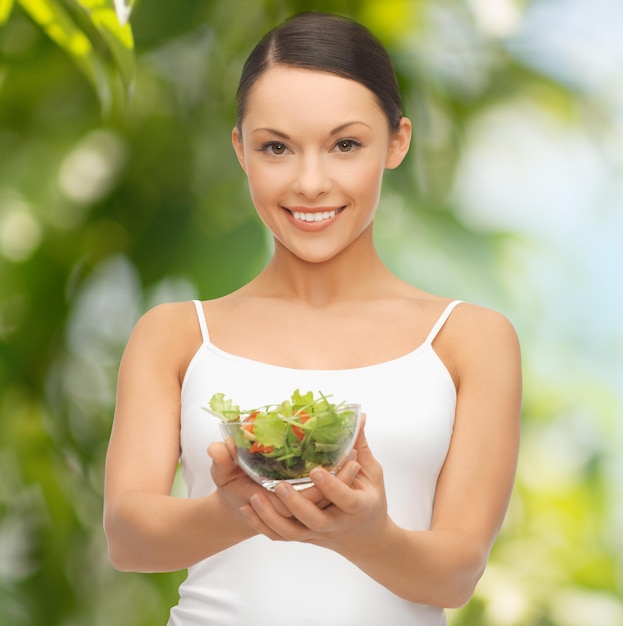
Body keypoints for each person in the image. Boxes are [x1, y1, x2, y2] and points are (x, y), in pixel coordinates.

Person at [103, 11, 522, 626]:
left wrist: (368, 533)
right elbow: (128, 539)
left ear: (397, 142)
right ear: (241, 149)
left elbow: (457, 573)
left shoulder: (471, 340)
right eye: (277, 147)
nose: (310, 182)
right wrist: (236, 505)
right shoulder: (175, 335)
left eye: (345, 144)